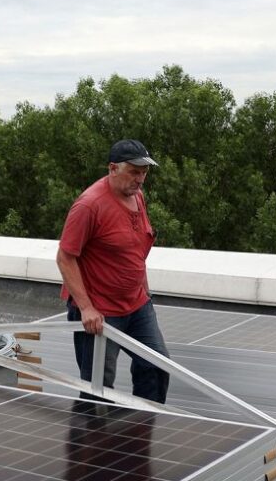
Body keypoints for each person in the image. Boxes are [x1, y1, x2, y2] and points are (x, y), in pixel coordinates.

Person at [56, 139, 170, 403]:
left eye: (144, 172)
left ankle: (142, 423)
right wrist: (86, 308)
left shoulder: (137, 197)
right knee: (98, 386)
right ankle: (91, 430)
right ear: (112, 168)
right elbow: (65, 258)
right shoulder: (89, 206)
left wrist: (145, 290)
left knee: (156, 365)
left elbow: (135, 249)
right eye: (134, 171)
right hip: (101, 311)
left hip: (137, 305)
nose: (140, 179)